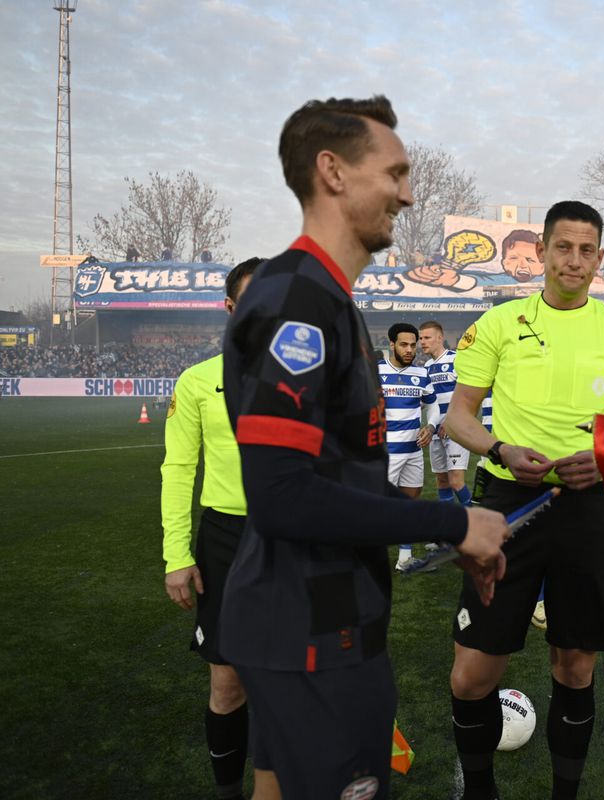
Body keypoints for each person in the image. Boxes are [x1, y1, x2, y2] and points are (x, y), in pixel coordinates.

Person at [219, 94, 508, 800]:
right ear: (333, 172)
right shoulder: (297, 299)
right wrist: (451, 520)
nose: (408, 195)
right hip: (307, 630)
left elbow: (339, 481)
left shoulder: (329, 299)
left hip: (324, 620)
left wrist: (452, 540)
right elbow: (282, 494)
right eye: (396, 173)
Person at [441, 200, 604, 800]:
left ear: (600, 259)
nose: (575, 260)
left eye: (587, 250)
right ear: (540, 252)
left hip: (591, 511)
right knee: (471, 675)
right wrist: (499, 448)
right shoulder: (498, 323)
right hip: (509, 505)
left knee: (575, 666)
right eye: (563, 247)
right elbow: (458, 416)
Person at [161, 256, 262, 800]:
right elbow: (179, 471)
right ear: (230, 309)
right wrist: (177, 554)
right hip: (227, 539)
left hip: (298, 538)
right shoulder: (198, 381)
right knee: (228, 682)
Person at [378, 321, 437, 569]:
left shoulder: (422, 374)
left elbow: (433, 404)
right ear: (392, 344)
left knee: (410, 502)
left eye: (413, 345)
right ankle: (365, 560)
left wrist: (431, 427)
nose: (410, 350)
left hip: (413, 451)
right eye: (404, 345)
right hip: (386, 452)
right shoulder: (376, 371)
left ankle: (404, 558)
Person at [420, 320, 473, 507]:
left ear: (440, 338)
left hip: (455, 429)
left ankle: (473, 523)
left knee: (456, 481)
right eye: (421, 338)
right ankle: (447, 526)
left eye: (427, 337)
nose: (422, 342)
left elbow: (466, 395)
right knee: (442, 480)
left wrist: (450, 421)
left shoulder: (456, 359)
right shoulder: (425, 367)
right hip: (435, 431)